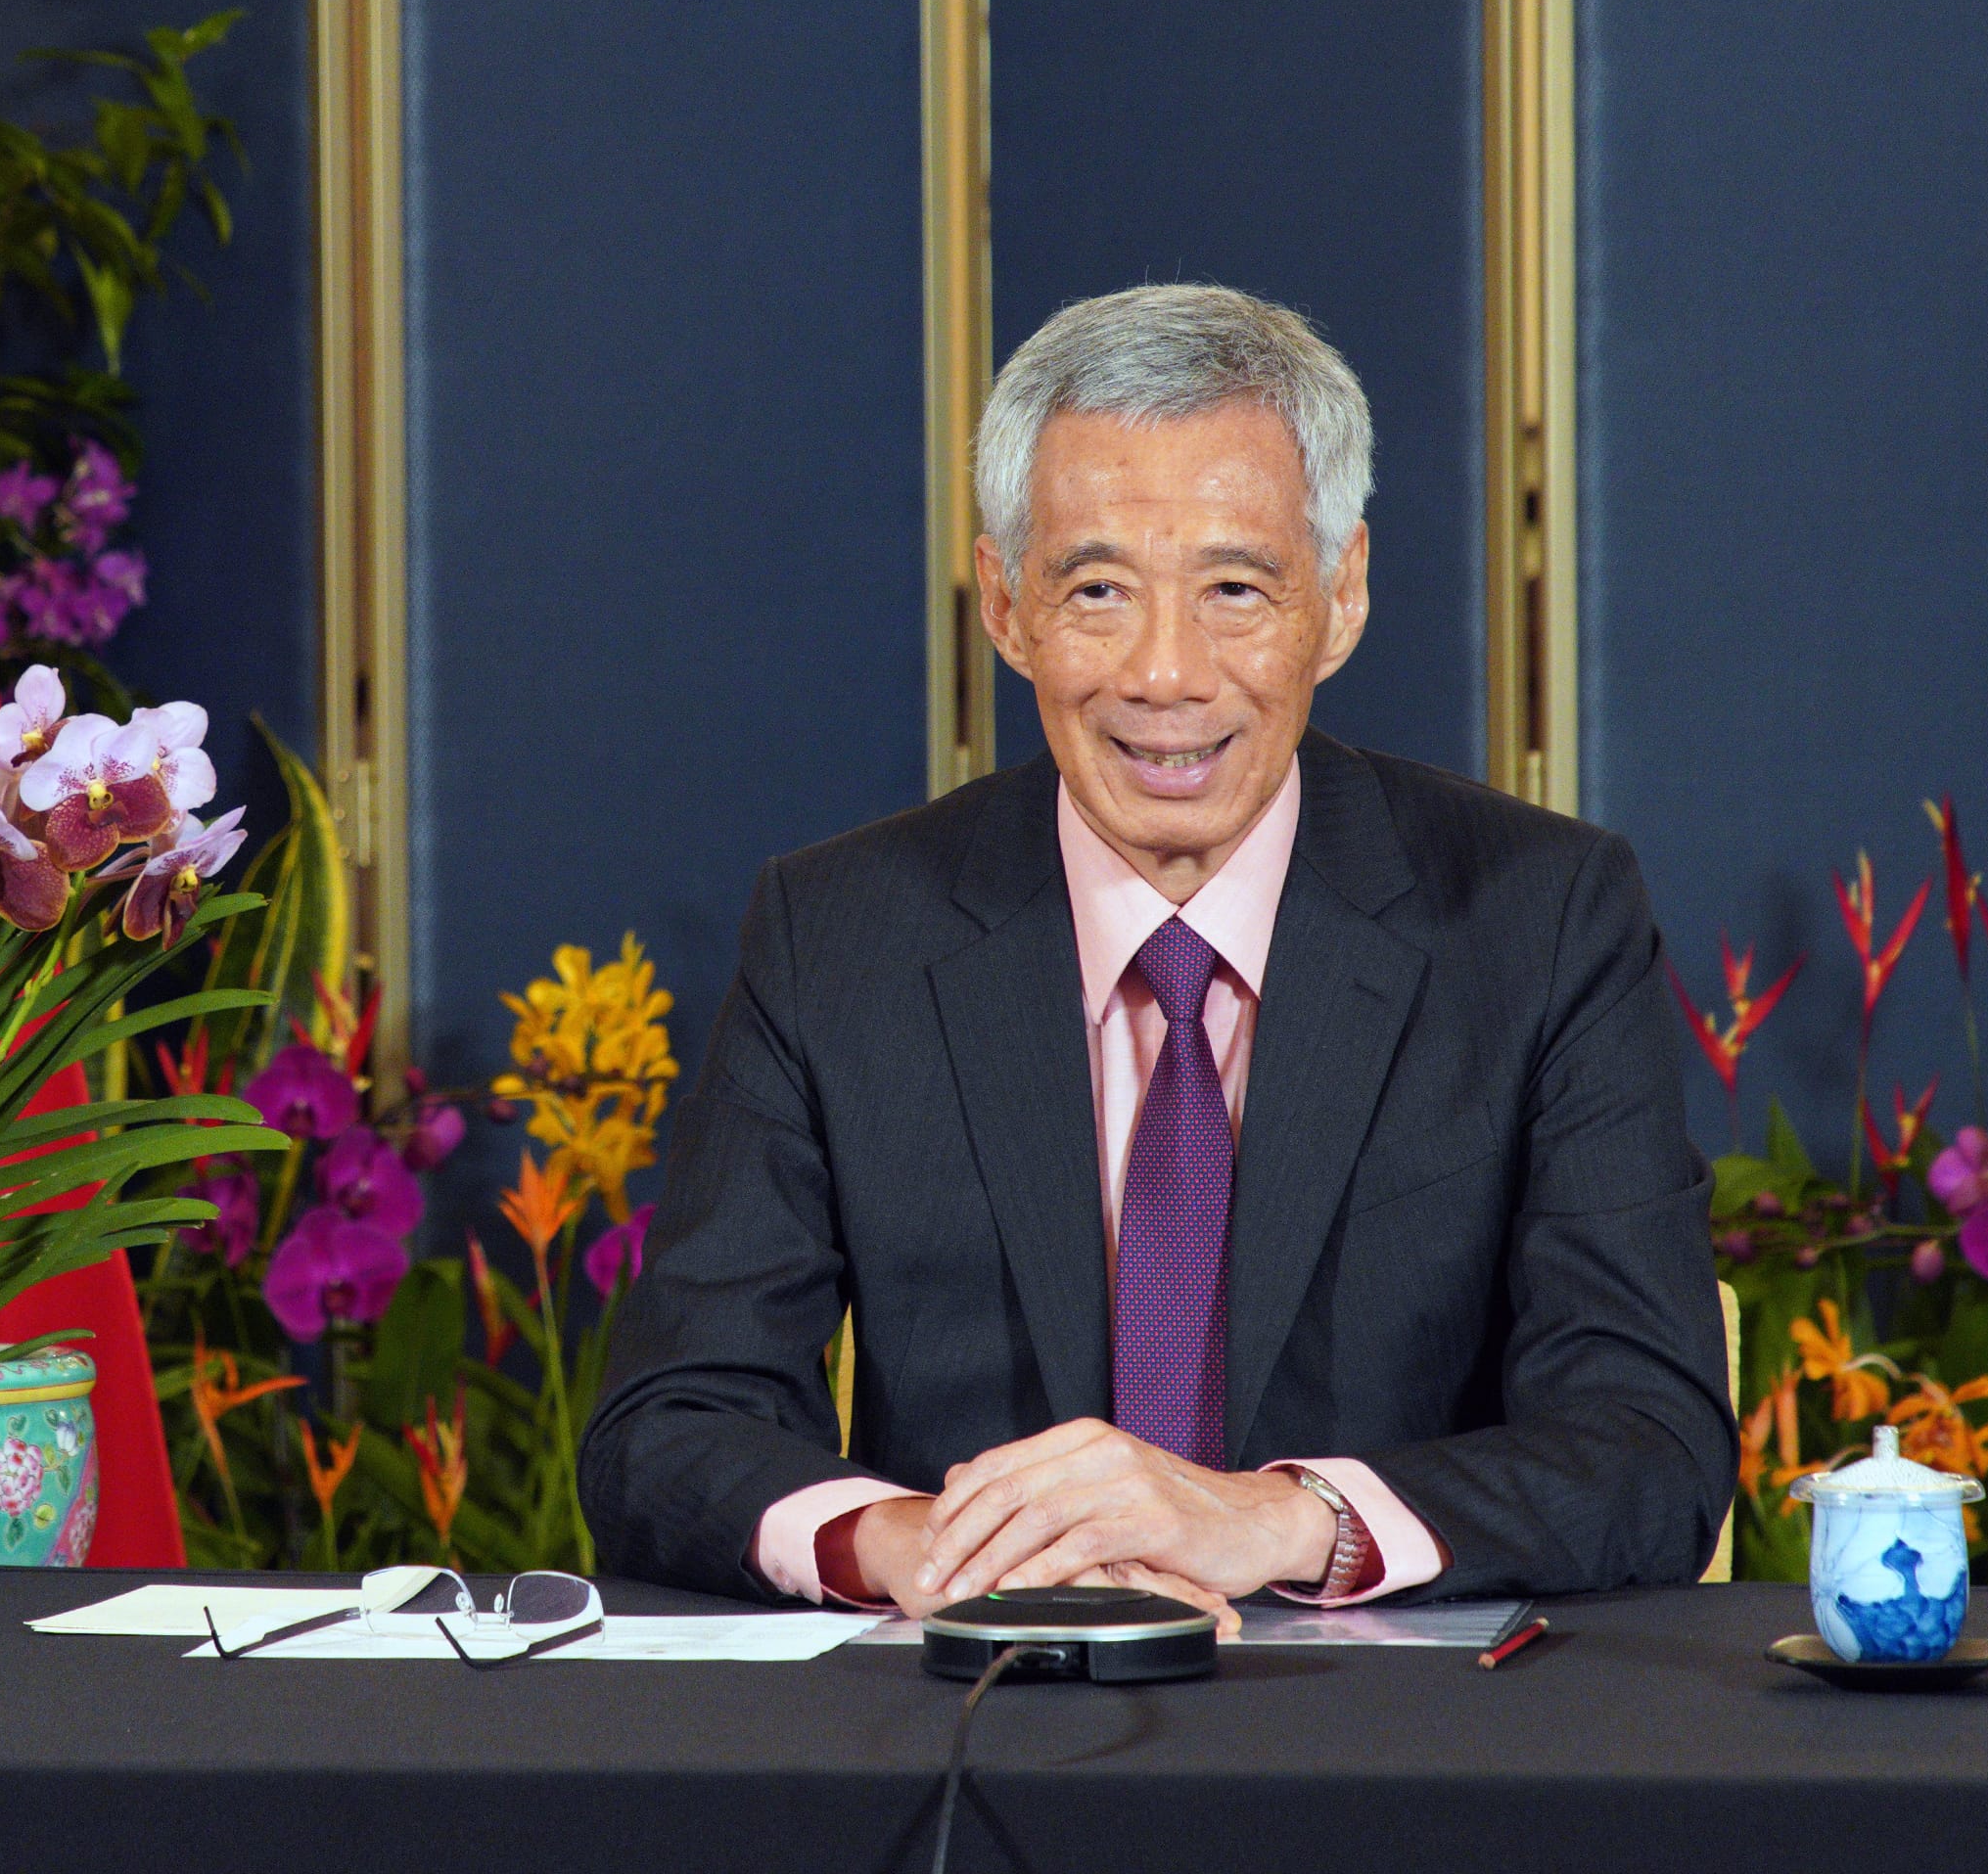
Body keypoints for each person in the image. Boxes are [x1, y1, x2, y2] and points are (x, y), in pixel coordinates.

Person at [579, 283, 1731, 1619]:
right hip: (978, 1719)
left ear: (1342, 598)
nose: (1165, 675)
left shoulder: (1538, 921)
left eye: (1236, 589)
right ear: (1006, 606)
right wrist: (911, 1544)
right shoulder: (841, 934)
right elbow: (666, 1430)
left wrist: (1281, 1521)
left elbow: (1650, 1444)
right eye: (1100, 590)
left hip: (1395, 1750)